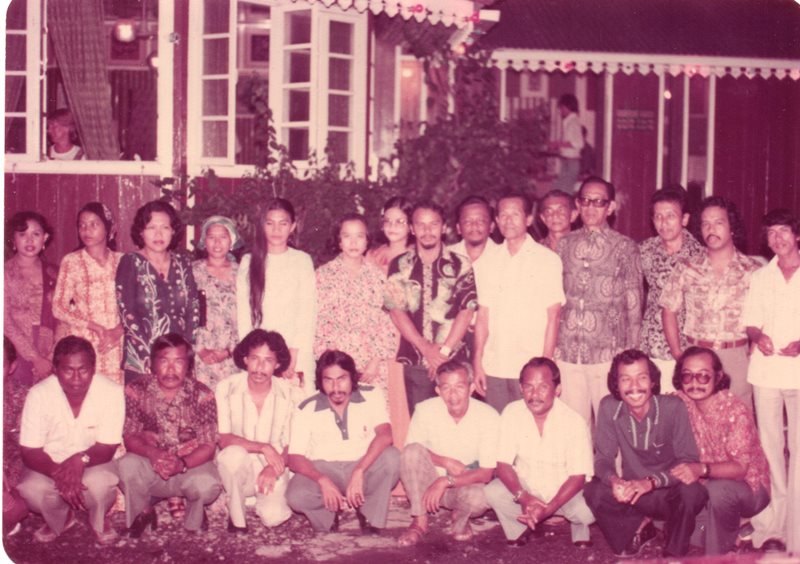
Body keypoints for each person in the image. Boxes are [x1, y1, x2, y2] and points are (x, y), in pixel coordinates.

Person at [583, 349, 707, 558]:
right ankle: (638, 528)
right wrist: (614, 480)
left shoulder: (673, 407)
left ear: (652, 381)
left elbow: (688, 461)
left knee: (692, 491)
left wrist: (651, 482)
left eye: (641, 377)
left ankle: (674, 553)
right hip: (633, 494)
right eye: (625, 379)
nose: (634, 386)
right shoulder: (609, 407)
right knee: (593, 490)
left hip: (668, 492)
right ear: (616, 384)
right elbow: (603, 458)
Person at [18, 336, 123, 544]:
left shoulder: (111, 392)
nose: (76, 379)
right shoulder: (38, 395)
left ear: (93, 368)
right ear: (55, 369)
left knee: (102, 484)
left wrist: (79, 460)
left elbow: (108, 446)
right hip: (49, 464)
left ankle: (98, 519)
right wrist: (62, 474)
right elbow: (30, 451)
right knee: (31, 489)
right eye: (68, 370)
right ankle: (61, 517)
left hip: (93, 462)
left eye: (83, 370)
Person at [555, 177, 643, 424]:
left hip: (607, 353)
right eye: (585, 200)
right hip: (568, 351)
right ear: (577, 204)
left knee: (611, 424)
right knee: (573, 426)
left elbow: (634, 300)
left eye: (598, 202)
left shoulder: (625, 247)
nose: (590, 207)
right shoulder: (564, 244)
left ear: (610, 207)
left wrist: (632, 352)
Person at [660, 196, 761, 407]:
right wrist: (678, 353)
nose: (711, 229)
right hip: (696, 353)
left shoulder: (753, 271)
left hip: (736, 356)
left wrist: (753, 352)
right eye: (705, 223)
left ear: (732, 227)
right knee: (695, 418)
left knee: (738, 418)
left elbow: (765, 316)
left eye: (718, 223)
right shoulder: (687, 267)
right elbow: (668, 310)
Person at [118, 333, 222, 535]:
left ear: (189, 366)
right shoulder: (136, 390)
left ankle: (194, 513)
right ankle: (144, 512)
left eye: (179, 362)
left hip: (188, 468)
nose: (171, 369)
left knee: (208, 484)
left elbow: (209, 446)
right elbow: (130, 436)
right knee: (125, 465)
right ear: (152, 364)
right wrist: (152, 453)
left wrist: (181, 464)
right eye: (164, 361)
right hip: (151, 465)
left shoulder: (203, 394)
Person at [485, 357, 594, 547]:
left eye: (543, 387)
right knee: (493, 492)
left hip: (563, 492)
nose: (534, 394)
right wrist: (524, 498)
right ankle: (523, 527)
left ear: (557, 389)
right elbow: (502, 465)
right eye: (529, 387)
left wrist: (549, 509)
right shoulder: (512, 412)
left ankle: (577, 529)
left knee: (586, 512)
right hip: (528, 488)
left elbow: (578, 477)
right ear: (521, 388)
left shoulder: (574, 421)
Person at [287, 350, 399, 534]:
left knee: (392, 458)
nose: (336, 387)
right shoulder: (306, 408)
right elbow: (294, 458)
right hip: (325, 468)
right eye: (328, 380)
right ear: (320, 381)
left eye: (342, 379)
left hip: (362, 465)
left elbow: (386, 435)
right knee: (296, 495)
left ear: (352, 377)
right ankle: (328, 514)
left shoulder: (371, 394)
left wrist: (359, 470)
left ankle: (368, 512)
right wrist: (322, 480)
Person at [671, 347, 770, 555]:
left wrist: (700, 469)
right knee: (689, 531)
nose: (695, 383)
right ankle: (737, 530)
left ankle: (718, 555)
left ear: (718, 377)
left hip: (749, 489)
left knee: (719, 490)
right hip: (709, 487)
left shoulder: (735, 410)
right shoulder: (681, 402)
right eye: (687, 376)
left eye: (703, 376)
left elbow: (740, 469)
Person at [473, 193, 565, 412]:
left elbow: (554, 316)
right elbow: (483, 316)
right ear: (496, 221)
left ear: (528, 219)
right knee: (498, 425)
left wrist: (546, 365)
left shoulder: (547, 260)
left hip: (531, 366)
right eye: (503, 215)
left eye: (515, 214)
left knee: (530, 425)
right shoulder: (486, 261)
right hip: (495, 364)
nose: (508, 220)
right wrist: (477, 361)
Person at [385, 200, 478, 414]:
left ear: (443, 227)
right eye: (421, 224)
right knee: (422, 422)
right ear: (412, 228)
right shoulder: (399, 264)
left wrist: (442, 353)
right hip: (416, 360)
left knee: (457, 421)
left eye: (434, 224)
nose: (427, 231)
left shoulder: (461, 264)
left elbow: (467, 310)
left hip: (454, 361)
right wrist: (425, 349)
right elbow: (396, 311)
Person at [743, 208, 800, 553]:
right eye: (771, 233)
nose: (777, 239)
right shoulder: (761, 277)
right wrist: (757, 335)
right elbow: (750, 321)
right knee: (769, 447)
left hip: (798, 371)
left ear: (797, 235)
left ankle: (797, 529)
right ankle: (771, 527)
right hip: (765, 372)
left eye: (783, 232)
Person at [397, 360, 498, 546]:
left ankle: (459, 515)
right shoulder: (425, 410)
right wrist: (444, 462)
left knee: (481, 497)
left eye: (459, 387)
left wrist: (445, 481)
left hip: (463, 484)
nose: (453, 395)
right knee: (411, 452)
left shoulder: (488, 416)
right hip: (428, 484)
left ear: (471, 388)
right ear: (438, 390)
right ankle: (419, 521)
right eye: (446, 388)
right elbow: (412, 452)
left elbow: (486, 473)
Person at [216, 329, 302, 532]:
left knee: (273, 517)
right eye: (254, 358)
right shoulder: (226, 388)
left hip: (274, 465)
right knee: (231, 456)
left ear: (278, 364)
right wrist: (263, 447)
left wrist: (274, 468)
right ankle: (237, 518)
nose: (260, 367)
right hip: (239, 466)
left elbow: (293, 444)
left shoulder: (291, 394)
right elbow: (224, 439)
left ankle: (260, 499)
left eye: (268, 361)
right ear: (245, 359)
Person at [236, 198, 316, 395]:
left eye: (283, 223)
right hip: (259, 356)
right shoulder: (248, 261)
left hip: (296, 350)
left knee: (298, 405)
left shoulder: (302, 261)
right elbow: (244, 314)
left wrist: (293, 355)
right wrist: (252, 356)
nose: (276, 230)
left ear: (293, 226)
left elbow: (308, 311)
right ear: (262, 226)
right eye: (270, 223)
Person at [116, 200, 200, 383]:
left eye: (165, 227)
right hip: (143, 361)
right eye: (151, 227)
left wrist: (185, 353)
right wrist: (153, 359)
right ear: (141, 232)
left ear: (173, 231)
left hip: (179, 362)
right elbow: (128, 315)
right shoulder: (130, 262)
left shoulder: (183, 263)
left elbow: (193, 309)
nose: (159, 234)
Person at [314, 214, 397, 390]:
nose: (353, 242)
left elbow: (387, 321)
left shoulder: (379, 277)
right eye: (347, 236)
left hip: (372, 365)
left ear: (367, 241)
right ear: (339, 241)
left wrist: (375, 361)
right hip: (336, 363)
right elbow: (319, 322)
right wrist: (334, 363)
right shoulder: (323, 275)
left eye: (359, 236)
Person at [639, 187, 703, 391]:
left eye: (670, 216)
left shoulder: (700, 255)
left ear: (684, 219)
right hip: (650, 345)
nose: (663, 222)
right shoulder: (644, 250)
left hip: (687, 348)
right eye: (658, 216)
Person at [53, 202, 124, 383]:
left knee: (115, 392)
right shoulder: (72, 261)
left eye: (94, 224)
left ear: (109, 228)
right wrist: (94, 326)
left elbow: (135, 306)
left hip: (116, 342)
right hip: (84, 342)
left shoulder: (123, 261)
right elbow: (58, 307)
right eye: (82, 225)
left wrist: (118, 331)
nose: (86, 230)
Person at [4, 211, 58, 385]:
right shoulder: (5, 273)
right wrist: (35, 358)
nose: (29, 240)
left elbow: (65, 315)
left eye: (36, 234)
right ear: (13, 238)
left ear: (45, 238)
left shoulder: (55, 273)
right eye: (22, 234)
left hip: (51, 353)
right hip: (15, 351)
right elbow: (4, 320)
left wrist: (51, 356)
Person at [192, 215, 242, 389]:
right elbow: (186, 313)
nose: (217, 242)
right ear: (204, 241)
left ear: (232, 240)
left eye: (223, 237)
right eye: (212, 237)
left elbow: (247, 316)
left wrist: (229, 350)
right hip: (201, 354)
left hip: (233, 354)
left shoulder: (241, 273)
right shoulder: (193, 271)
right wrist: (200, 349)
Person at [3, 337, 29, 537]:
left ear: (12, 367)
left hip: (10, 469)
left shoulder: (24, 397)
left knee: (16, 508)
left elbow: (24, 449)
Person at [366, 196, 414, 275]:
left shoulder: (417, 257)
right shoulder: (373, 256)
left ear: (410, 226)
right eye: (387, 221)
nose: (392, 226)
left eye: (399, 221)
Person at [550, 94, 584, 193]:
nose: (560, 111)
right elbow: (569, 143)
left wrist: (558, 144)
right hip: (567, 162)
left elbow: (579, 143)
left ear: (567, 107)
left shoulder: (573, 123)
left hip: (571, 163)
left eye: (561, 108)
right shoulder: (569, 122)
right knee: (559, 191)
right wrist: (558, 144)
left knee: (564, 192)